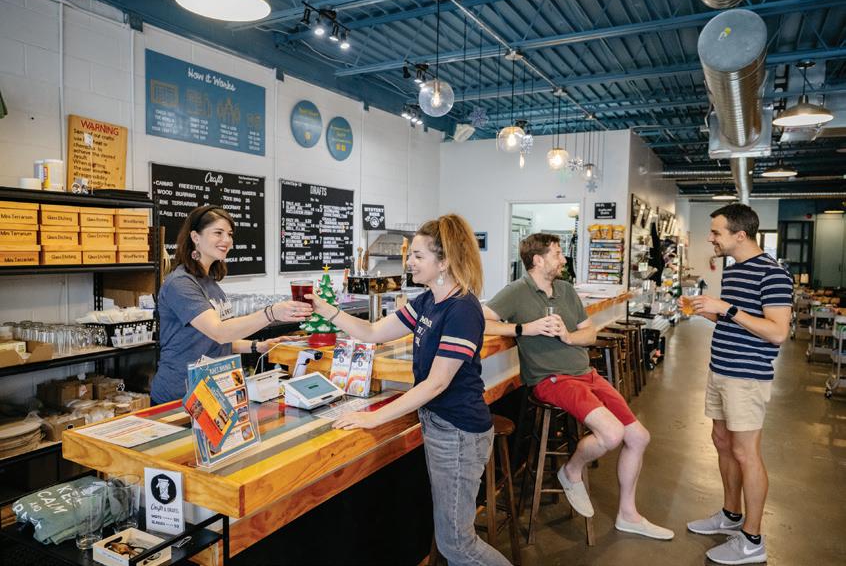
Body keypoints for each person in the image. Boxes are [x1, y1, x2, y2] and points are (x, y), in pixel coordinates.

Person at [308, 214, 512, 566]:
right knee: (453, 540)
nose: (409, 262)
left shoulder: (463, 309)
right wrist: (327, 311)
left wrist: (375, 418)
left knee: (458, 545)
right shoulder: (428, 301)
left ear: (444, 261)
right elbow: (373, 332)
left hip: (459, 433)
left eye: (418, 255)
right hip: (440, 426)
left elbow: (437, 382)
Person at [483, 233, 674, 541]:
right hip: (552, 379)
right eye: (557, 254)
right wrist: (523, 328)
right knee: (611, 434)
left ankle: (628, 515)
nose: (563, 259)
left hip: (586, 374)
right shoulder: (517, 291)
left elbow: (589, 334)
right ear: (538, 260)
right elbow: (482, 320)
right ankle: (571, 471)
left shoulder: (566, 290)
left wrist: (568, 336)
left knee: (639, 436)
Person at [685, 204, 792, 565]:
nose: (710, 238)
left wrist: (727, 309)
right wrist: (712, 314)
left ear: (740, 235)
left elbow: (777, 332)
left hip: (746, 377)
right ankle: (731, 514)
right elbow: (741, 321)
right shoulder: (733, 271)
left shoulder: (773, 274)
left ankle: (752, 540)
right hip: (720, 369)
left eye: (716, 232)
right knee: (722, 442)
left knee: (746, 453)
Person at [151, 205, 312, 404]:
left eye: (229, 234)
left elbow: (216, 342)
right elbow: (219, 332)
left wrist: (259, 346)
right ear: (195, 237)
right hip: (179, 395)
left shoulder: (208, 282)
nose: (226, 240)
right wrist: (271, 313)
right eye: (218, 233)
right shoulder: (180, 283)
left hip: (213, 392)